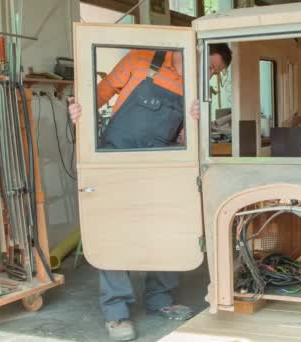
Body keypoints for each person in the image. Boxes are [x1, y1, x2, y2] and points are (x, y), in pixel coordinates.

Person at [68, 43, 232, 341]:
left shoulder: (195, 89)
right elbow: (98, 94)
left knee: (165, 230)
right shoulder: (141, 60)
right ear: (193, 50)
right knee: (114, 235)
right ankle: (116, 313)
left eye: (214, 73)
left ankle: (161, 300)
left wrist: (194, 122)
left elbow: (189, 138)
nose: (208, 75)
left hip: (163, 165)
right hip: (116, 160)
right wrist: (79, 110)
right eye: (209, 67)